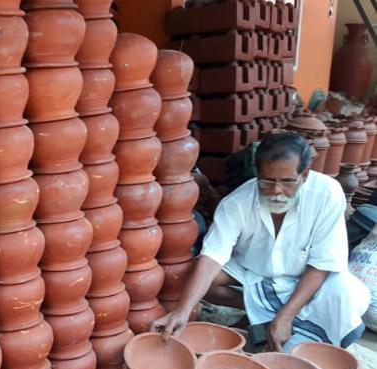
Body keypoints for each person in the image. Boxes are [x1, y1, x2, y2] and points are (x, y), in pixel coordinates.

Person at [153, 132, 370, 352]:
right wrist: (182, 310)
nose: (276, 191)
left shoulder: (327, 193)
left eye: (287, 182)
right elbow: (212, 256)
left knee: (350, 294)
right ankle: (260, 312)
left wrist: (286, 317)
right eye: (267, 181)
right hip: (254, 273)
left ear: (304, 174)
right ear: (257, 174)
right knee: (196, 275)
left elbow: (323, 263)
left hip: (305, 277)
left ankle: (275, 319)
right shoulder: (237, 202)